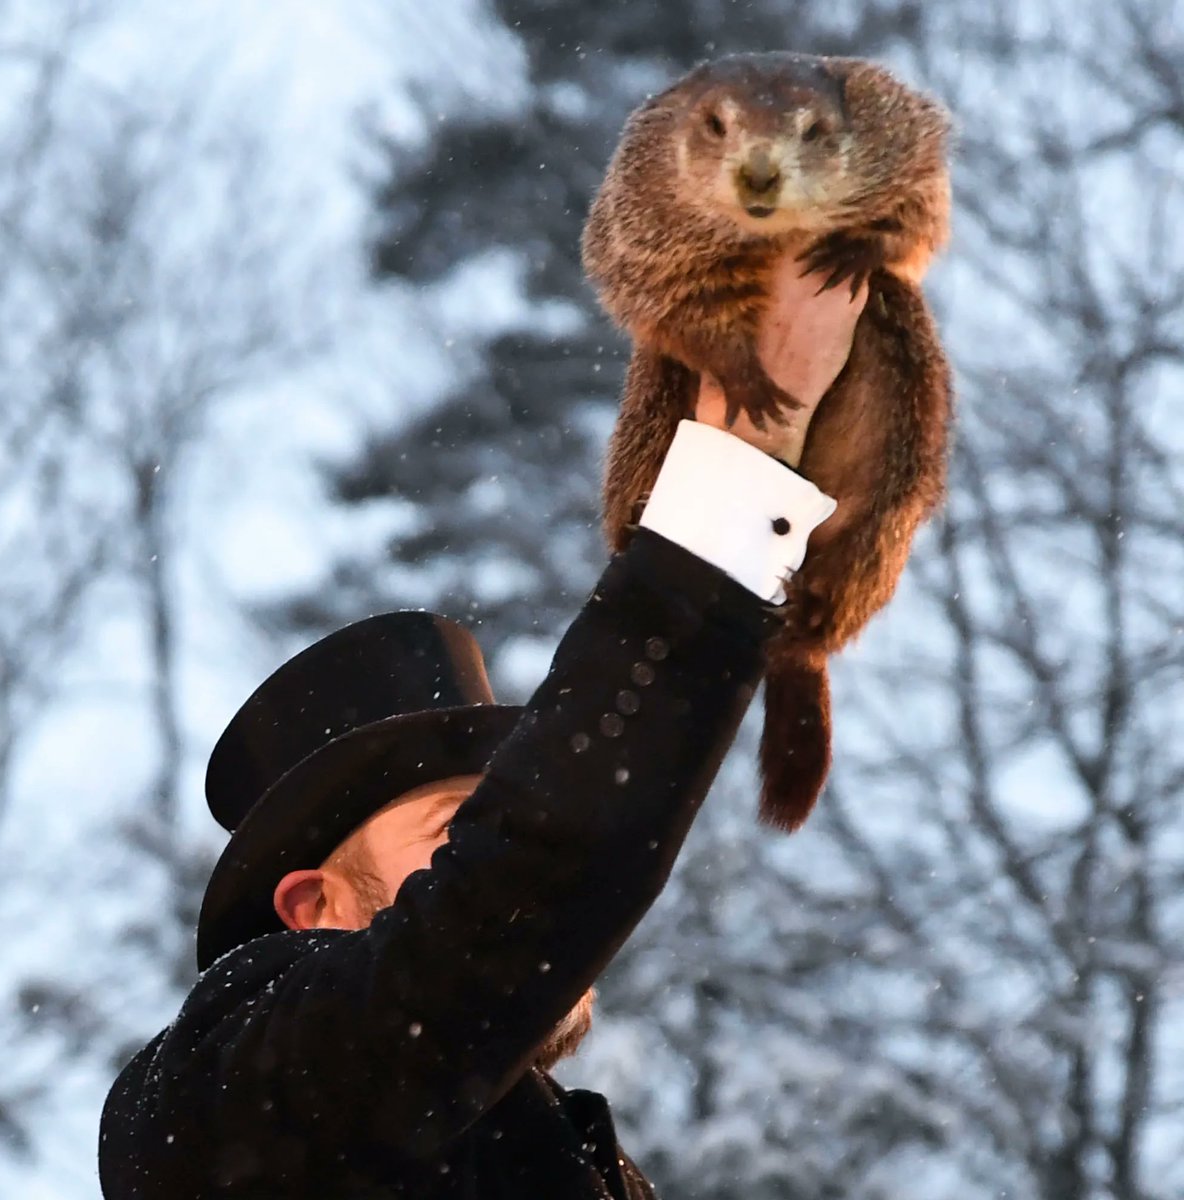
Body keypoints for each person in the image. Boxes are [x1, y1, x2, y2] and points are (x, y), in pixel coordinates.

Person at [98, 256, 866, 1199]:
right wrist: (741, 469)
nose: (505, 842)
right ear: (314, 908)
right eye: (457, 829)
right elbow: (525, 879)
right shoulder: (224, 1098)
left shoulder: (540, 1147)